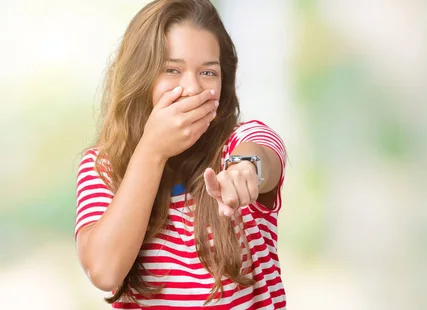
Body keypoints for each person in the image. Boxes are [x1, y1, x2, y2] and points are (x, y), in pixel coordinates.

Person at [74, 0, 287, 308]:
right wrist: (152, 150)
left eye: (208, 72)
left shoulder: (242, 141)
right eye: (172, 70)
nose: (192, 88)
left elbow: (258, 156)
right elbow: (104, 272)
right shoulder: (104, 167)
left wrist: (244, 171)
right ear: (141, 77)